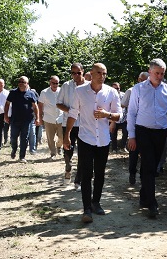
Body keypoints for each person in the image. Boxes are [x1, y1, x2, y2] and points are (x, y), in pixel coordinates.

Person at [63, 63, 121, 223]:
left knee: (100, 174)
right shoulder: (80, 91)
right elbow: (73, 113)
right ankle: (87, 208)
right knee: (87, 174)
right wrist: (67, 134)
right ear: (91, 73)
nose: (102, 76)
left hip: (103, 139)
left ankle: (96, 203)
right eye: (99, 73)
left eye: (105, 73)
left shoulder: (111, 92)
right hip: (86, 138)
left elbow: (119, 115)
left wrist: (106, 114)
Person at [127, 59, 167, 218]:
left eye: (162, 73)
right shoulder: (138, 89)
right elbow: (131, 113)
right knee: (150, 165)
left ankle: (144, 195)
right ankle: (152, 203)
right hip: (143, 131)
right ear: (150, 72)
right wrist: (131, 136)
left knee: (151, 166)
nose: (159, 76)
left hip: (161, 132)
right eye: (157, 73)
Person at [57, 63, 88, 188]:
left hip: (84, 124)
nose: (75, 75)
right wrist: (72, 111)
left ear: (83, 72)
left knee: (83, 152)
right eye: (73, 73)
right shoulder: (66, 86)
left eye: (78, 73)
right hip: (68, 122)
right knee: (67, 148)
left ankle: (78, 180)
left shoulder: (88, 86)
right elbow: (58, 103)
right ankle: (68, 166)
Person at [4, 76, 40, 163]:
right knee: (13, 137)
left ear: (27, 84)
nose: (20, 83)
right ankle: (14, 149)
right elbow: (7, 104)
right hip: (15, 119)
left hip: (27, 120)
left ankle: (22, 157)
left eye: (23, 82)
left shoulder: (31, 93)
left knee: (24, 138)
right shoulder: (13, 92)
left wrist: (37, 118)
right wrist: (5, 115)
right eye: (19, 81)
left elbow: (35, 107)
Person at [121, 71, 149, 185]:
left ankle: (143, 175)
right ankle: (132, 173)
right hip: (133, 124)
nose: (143, 82)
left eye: (145, 80)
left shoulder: (151, 91)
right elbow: (122, 104)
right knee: (133, 150)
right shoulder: (131, 90)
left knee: (145, 152)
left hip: (146, 127)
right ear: (138, 79)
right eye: (141, 80)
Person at [39, 75, 64, 160]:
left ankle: (59, 146)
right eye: (53, 83)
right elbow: (40, 105)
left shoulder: (61, 91)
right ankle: (53, 153)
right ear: (50, 82)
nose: (55, 85)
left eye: (57, 83)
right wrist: (40, 117)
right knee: (50, 138)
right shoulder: (44, 92)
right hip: (48, 118)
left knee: (62, 137)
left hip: (61, 118)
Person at [109, 82, 126, 153]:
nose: (116, 90)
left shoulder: (124, 95)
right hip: (113, 118)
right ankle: (114, 148)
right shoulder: (108, 96)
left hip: (123, 118)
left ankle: (123, 147)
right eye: (114, 88)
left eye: (117, 88)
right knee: (113, 134)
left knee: (126, 133)